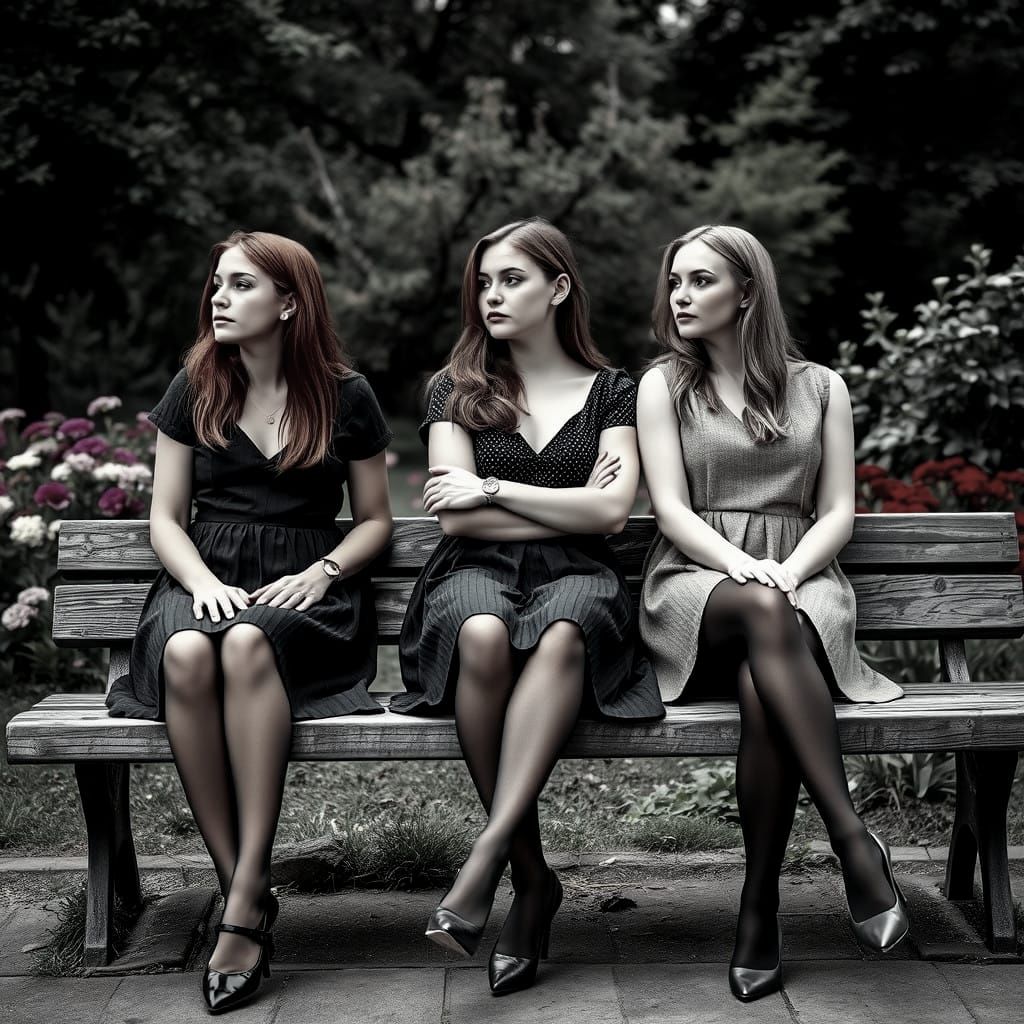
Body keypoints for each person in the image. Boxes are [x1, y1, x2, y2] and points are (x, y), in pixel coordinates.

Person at [105, 230, 393, 1015]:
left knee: (246, 642)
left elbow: (373, 521)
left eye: (239, 286)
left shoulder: (345, 394)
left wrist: (324, 570)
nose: (219, 299)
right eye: (217, 285)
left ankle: (240, 900)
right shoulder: (195, 385)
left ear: (289, 303)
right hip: (203, 577)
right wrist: (199, 582)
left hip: (305, 589)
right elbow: (166, 518)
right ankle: (248, 892)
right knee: (194, 656)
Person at [391, 217, 664, 995]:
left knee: (565, 631)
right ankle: (531, 875)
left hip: (582, 573)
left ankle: (487, 858)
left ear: (559, 288)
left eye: (511, 279)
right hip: (472, 568)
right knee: (480, 631)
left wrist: (496, 485)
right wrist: (557, 500)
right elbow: (457, 517)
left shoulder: (617, 391)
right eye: (483, 282)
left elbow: (610, 519)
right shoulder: (454, 388)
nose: (491, 296)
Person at [637, 225, 908, 1002]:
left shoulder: (822, 386)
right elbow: (671, 510)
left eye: (700, 281)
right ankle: (853, 839)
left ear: (747, 291)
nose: (680, 296)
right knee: (762, 616)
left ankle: (758, 908)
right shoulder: (663, 386)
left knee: (767, 682)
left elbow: (839, 511)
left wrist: (787, 571)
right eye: (675, 281)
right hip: (698, 584)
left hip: (802, 580)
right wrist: (746, 568)